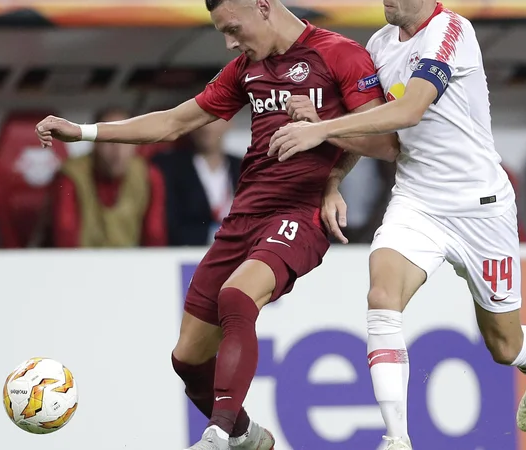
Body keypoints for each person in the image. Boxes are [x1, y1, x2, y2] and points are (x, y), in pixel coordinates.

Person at [34, 0, 398, 447]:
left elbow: (385, 140)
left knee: (237, 296)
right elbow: (172, 123)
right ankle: (248, 435)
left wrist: (322, 127)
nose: (230, 41)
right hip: (244, 215)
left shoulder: (339, 53)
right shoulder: (246, 68)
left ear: (263, 6)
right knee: (187, 358)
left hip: (299, 213)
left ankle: (218, 434)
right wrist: (85, 131)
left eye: (232, 28)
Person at [268, 1, 526, 448]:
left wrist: (320, 129)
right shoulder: (380, 43)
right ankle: (396, 438)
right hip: (417, 201)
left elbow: (410, 110)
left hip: (480, 209)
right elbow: (383, 141)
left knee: (504, 346)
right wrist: (332, 177)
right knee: (381, 296)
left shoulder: (451, 32)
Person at [50, 107, 167, 248]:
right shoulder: (71, 174)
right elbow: (65, 234)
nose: (117, 150)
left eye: (126, 141)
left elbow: (154, 236)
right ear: (94, 143)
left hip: (133, 264)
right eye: (109, 140)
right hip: (82, 263)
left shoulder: (148, 175)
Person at [151, 118, 242, 246]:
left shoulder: (244, 167)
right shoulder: (170, 167)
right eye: (200, 120)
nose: (206, 128)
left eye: (214, 119)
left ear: (229, 123)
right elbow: (168, 224)